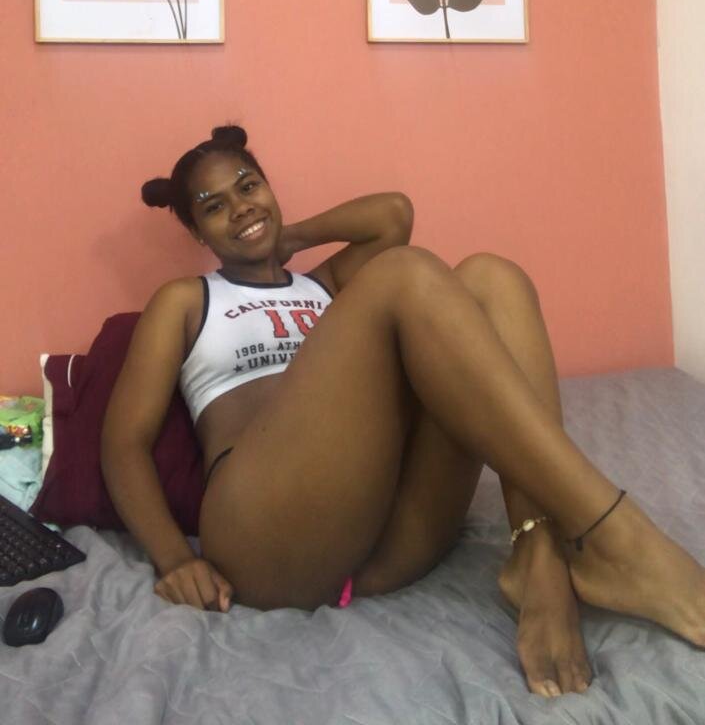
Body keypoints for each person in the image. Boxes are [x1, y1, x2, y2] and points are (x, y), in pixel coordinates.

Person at [102, 125, 705, 700]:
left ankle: (539, 557)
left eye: (248, 187)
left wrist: (288, 238)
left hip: (389, 541)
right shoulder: (187, 300)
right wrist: (174, 558)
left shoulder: (323, 287)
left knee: (493, 278)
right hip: (267, 537)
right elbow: (124, 442)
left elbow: (394, 214)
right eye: (215, 207)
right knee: (403, 273)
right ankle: (620, 539)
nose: (240, 208)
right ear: (198, 234)